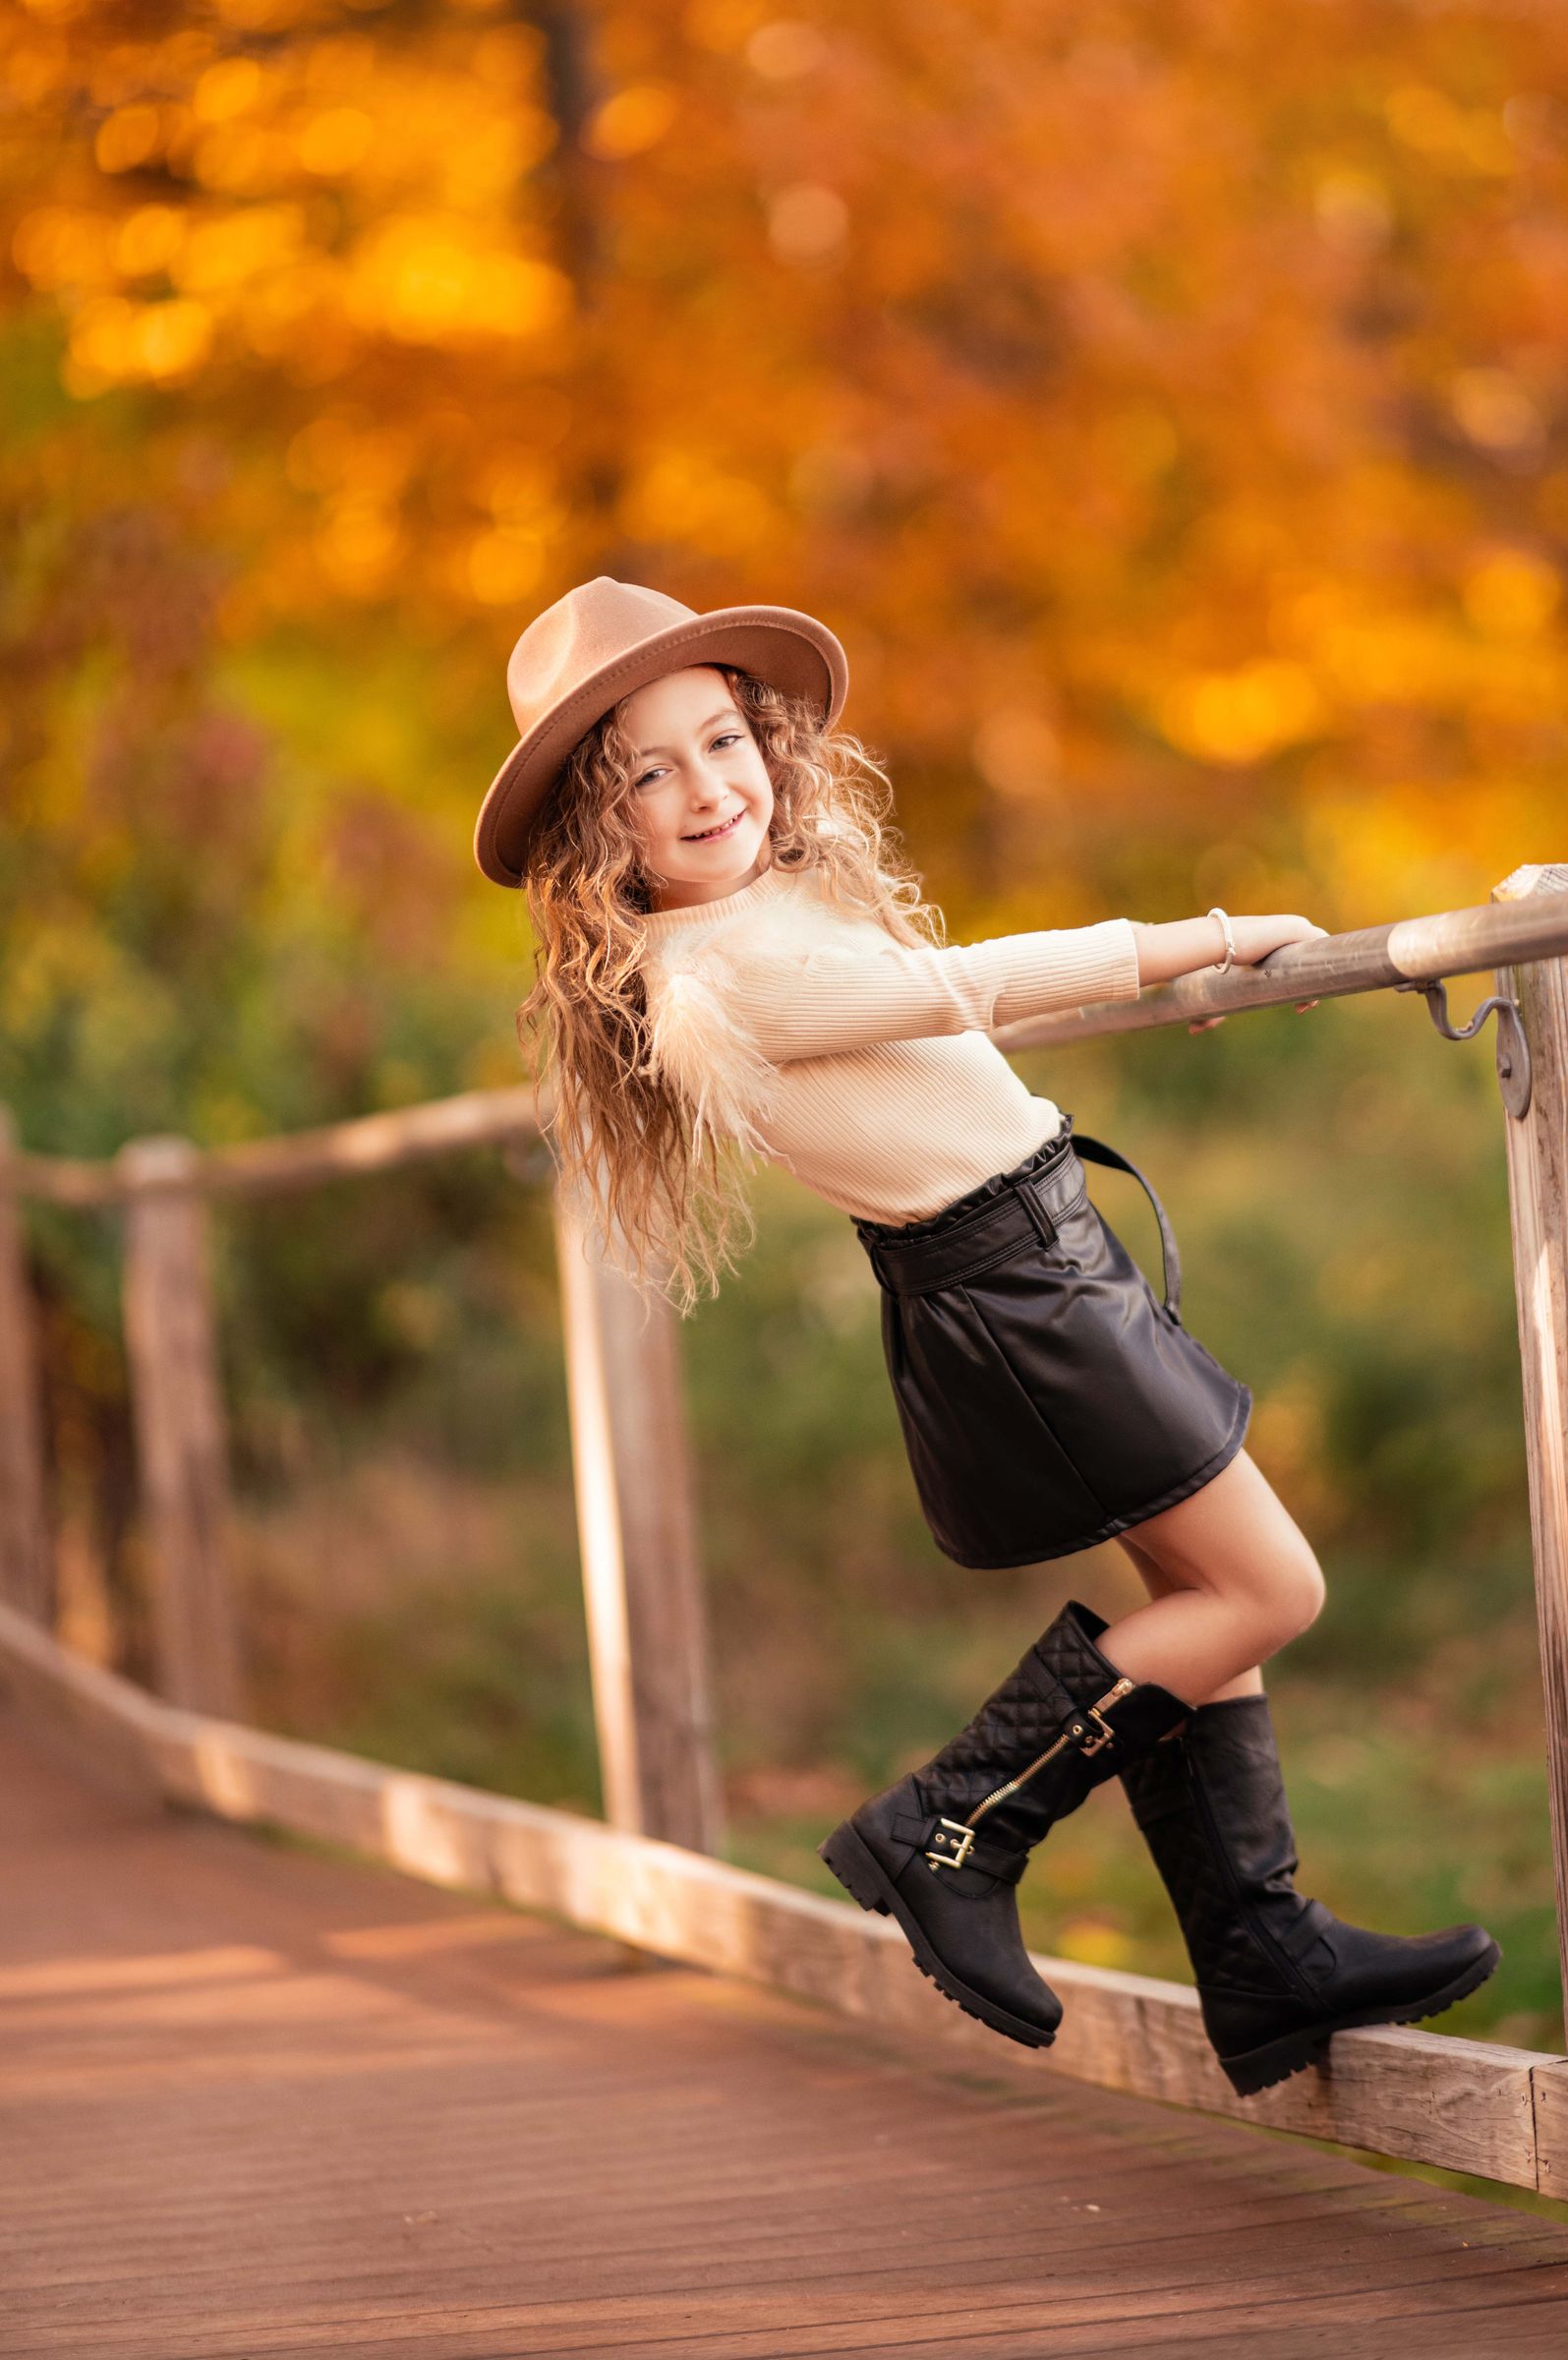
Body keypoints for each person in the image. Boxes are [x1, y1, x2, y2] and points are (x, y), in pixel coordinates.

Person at [475, 576, 1498, 2090]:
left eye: (719, 740)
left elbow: (929, 1027)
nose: (705, 788)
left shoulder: (767, 917)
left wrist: (1177, 986)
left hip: (1039, 1267)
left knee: (1203, 1594)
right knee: (1271, 1585)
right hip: (1021, 1293)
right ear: (595, 829)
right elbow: (959, 989)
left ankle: (1263, 1955)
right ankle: (949, 1828)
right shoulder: (715, 975)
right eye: (647, 771)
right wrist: (1201, 938)